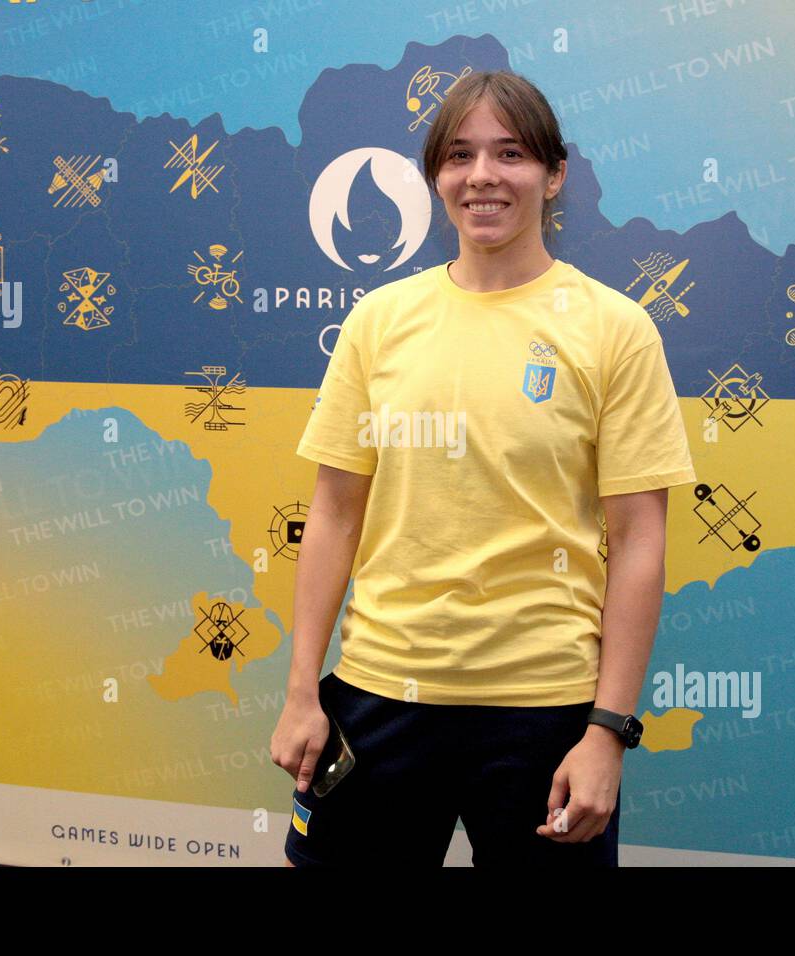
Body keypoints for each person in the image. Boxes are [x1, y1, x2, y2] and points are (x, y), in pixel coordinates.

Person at [269, 70, 696, 866]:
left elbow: (640, 541)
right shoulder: (378, 321)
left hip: (545, 713)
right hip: (380, 696)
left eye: (511, 153)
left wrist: (607, 732)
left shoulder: (615, 329)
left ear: (554, 174)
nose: (483, 176)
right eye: (459, 155)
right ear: (435, 176)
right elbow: (333, 513)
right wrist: (301, 693)